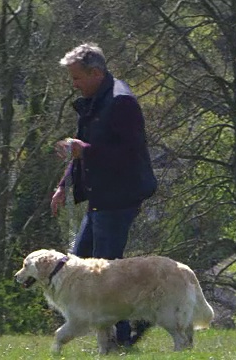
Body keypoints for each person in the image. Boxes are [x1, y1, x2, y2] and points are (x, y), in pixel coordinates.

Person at [51, 42, 157, 347]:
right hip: (99, 198)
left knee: (106, 272)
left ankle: (122, 338)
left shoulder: (122, 102)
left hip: (120, 198)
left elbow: (129, 154)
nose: (74, 84)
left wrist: (86, 152)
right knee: (80, 264)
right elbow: (80, 151)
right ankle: (119, 331)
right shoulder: (94, 99)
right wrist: (63, 184)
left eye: (76, 78)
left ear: (96, 72)